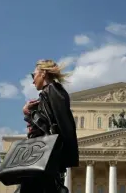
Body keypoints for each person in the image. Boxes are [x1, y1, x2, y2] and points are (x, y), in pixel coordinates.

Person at [17, 59, 79, 193]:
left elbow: (53, 127)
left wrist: (28, 113)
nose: (33, 80)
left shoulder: (53, 91)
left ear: (43, 73)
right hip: (45, 158)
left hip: (44, 158)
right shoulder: (53, 92)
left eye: (34, 75)